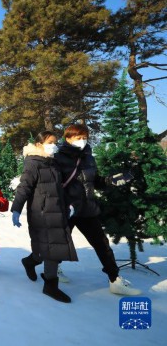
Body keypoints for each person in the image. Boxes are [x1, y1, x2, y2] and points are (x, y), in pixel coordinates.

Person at [54, 123, 141, 296]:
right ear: (68, 138)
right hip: (68, 210)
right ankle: (49, 269)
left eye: (85, 137)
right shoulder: (58, 158)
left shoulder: (89, 157)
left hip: (87, 210)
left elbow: (95, 181)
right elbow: (53, 186)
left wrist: (112, 181)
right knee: (60, 243)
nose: (82, 141)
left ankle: (114, 280)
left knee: (102, 244)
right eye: (78, 137)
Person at [11, 131, 78, 303]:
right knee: (52, 249)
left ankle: (30, 261)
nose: (54, 145)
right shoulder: (33, 163)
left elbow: (60, 187)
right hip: (41, 213)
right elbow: (24, 187)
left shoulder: (53, 162)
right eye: (50, 142)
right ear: (39, 144)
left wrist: (68, 203)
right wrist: (16, 209)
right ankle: (50, 286)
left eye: (55, 142)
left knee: (49, 247)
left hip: (57, 210)